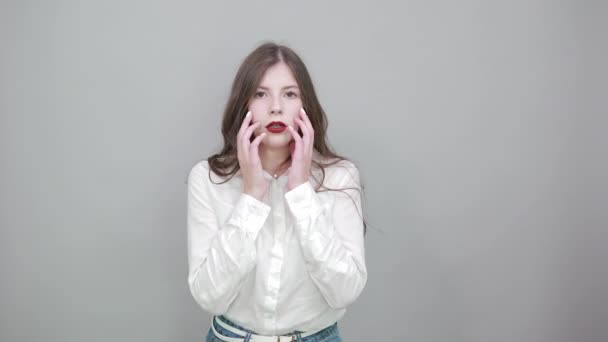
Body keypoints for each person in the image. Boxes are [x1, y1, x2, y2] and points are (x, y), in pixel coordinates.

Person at [187, 41, 368, 342]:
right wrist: (251, 196)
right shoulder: (207, 179)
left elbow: (344, 292)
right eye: (260, 94)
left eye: (290, 94)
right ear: (243, 104)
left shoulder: (340, 176)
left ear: (305, 104)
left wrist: (300, 193)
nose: (275, 107)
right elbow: (209, 297)